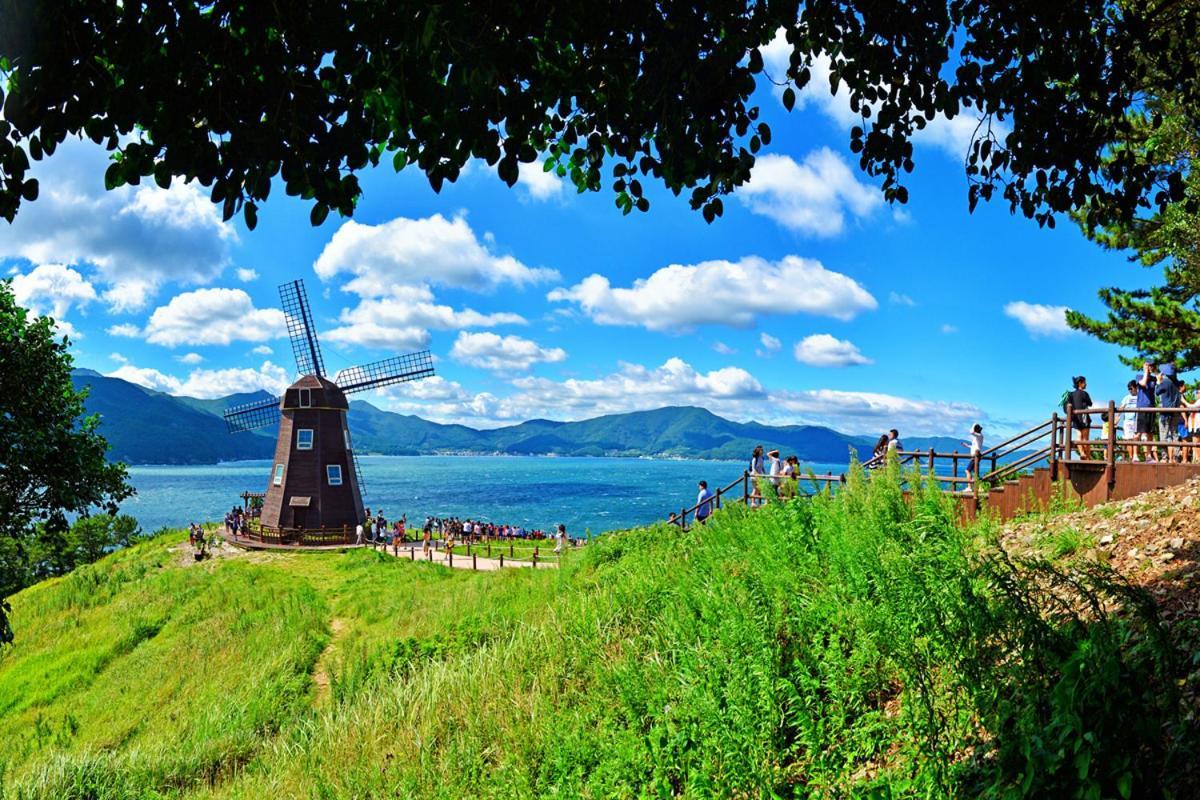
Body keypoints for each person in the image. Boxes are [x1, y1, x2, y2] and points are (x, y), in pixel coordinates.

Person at [1155, 363, 1182, 462]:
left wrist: (1158, 381)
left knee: (1164, 435)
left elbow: (1157, 392)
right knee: (1174, 434)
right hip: (1175, 412)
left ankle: (1164, 457)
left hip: (1165, 412)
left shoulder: (1166, 382)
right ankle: (1176, 456)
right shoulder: (1176, 384)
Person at [1065, 376, 1093, 459]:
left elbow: (1069, 405)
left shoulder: (1071, 394)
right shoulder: (1085, 393)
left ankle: (1082, 453)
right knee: (1085, 438)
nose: (1086, 384)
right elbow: (1090, 403)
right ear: (1080, 383)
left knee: (1079, 436)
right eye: (1084, 382)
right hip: (1084, 418)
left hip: (1076, 418)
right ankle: (1087, 457)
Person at [1135, 361, 1157, 461]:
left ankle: (1148, 456)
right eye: (1148, 365)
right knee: (1138, 433)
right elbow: (1143, 383)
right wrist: (1145, 372)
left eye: (1151, 366)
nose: (1149, 367)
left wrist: (1155, 372)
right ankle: (1135, 455)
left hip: (1151, 407)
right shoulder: (1139, 376)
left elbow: (1161, 384)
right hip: (1141, 407)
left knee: (1150, 433)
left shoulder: (1154, 379)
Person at [1118, 380, 1140, 461]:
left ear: (1135, 388)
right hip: (1127, 421)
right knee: (1128, 439)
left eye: (1131, 388)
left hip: (1136, 420)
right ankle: (1131, 456)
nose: (1130, 390)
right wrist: (1117, 418)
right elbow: (1121, 408)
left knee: (1136, 438)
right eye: (1129, 389)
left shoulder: (1139, 397)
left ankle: (1135, 456)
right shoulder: (1126, 398)